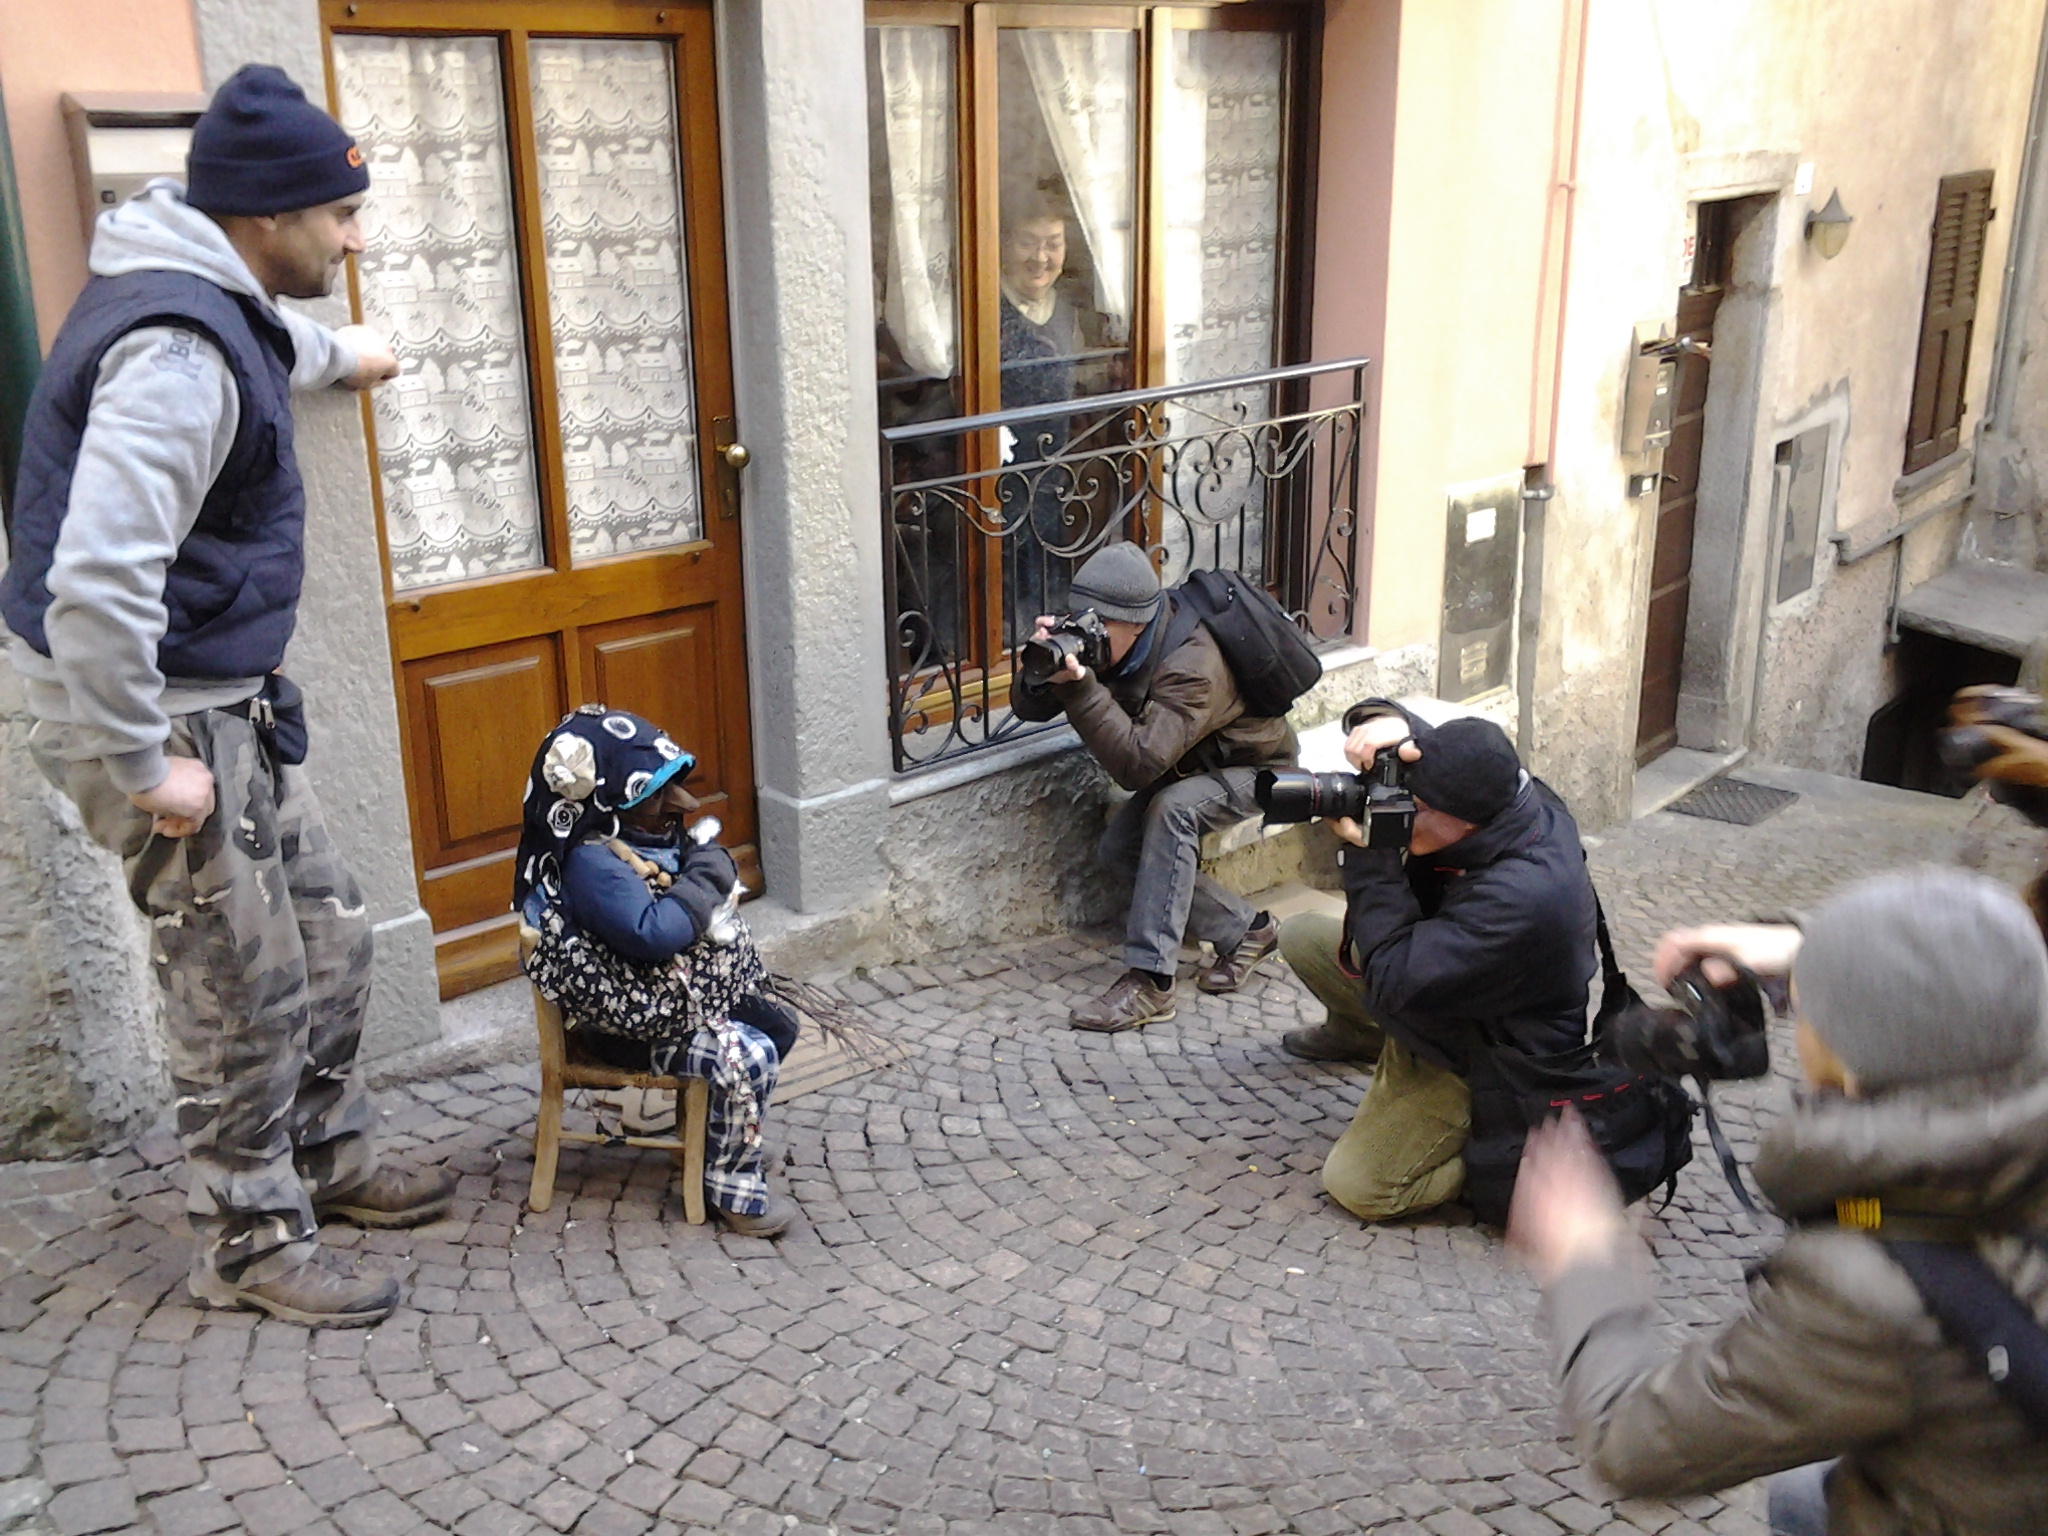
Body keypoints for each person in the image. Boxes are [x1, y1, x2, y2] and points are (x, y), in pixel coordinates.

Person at [0, 66, 443, 1326]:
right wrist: (145, 766)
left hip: (222, 699)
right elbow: (91, 589)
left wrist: (340, 352)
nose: (356, 238)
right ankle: (248, 1245)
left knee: (330, 938)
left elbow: (265, 337)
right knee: (233, 986)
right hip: (155, 713)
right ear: (266, 219)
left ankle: (323, 1156)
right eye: (340, 217)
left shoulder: (214, 300)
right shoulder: (175, 355)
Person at [1512, 867, 2048, 1536]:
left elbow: (1634, 1444)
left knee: (1802, 1500)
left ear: (1848, 1064)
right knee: (1801, 1495)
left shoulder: (1871, 1291)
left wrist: (1585, 1263)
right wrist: (1813, 946)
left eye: (1808, 1010)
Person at [1279, 705, 1598, 1222]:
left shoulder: (1524, 895)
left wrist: (1373, 855)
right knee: (1300, 936)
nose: (1403, 809)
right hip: (1447, 989)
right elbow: (1436, 750)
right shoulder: (1504, 794)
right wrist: (1384, 720)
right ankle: (1365, 1037)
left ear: (1464, 821)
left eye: (1415, 805)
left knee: (1359, 1186)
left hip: (1487, 1051)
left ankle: (1499, 1163)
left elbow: (1392, 977)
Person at [514, 707, 800, 1238]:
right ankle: (732, 1188)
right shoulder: (590, 863)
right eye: (652, 800)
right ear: (605, 801)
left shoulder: (634, 843)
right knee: (748, 1052)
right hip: (626, 1027)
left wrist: (694, 864)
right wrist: (707, 874)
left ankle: (714, 1134)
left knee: (777, 1026)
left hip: (667, 1005)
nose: (671, 812)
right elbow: (655, 935)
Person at [1012, 541, 1296, 1032]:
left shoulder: (1193, 666)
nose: (1089, 629)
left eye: (1099, 623)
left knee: (1172, 811)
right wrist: (1043, 669)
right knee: (1120, 850)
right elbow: (1028, 709)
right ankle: (1249, 931)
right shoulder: (1115, 632)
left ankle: (1150, 983)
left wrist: (1081, 686)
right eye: (1081, 616)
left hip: (1256, 767)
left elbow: (1137, 767)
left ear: (1137, 622)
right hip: (1185, 760)